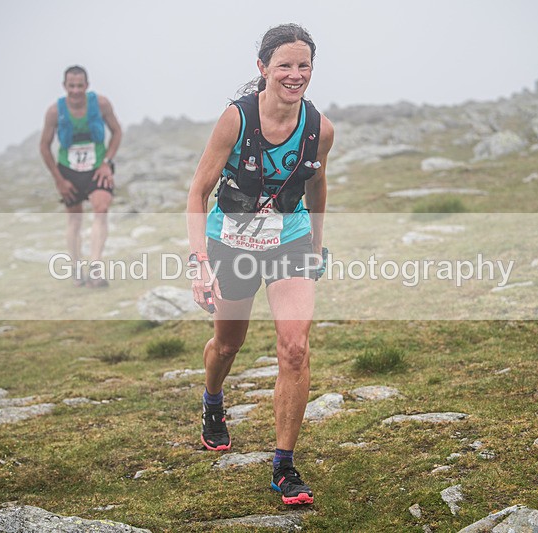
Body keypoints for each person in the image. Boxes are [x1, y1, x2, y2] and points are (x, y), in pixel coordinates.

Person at [186, 23, 334, 505]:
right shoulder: (236, 120)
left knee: (295, 348)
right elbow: (196, 193)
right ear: (263, 69)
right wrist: (199, 262)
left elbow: (316, 188)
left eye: (303, 65)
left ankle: (283, 466)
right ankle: (213, 401)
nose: (295, 75)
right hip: (229, 241)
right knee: (228, 344)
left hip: (289, 240)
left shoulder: (320, 130)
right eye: (285, 65)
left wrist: (315, 246)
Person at [39, 65, 122, 287]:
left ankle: (95, 267)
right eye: (71, 86)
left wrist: (107, 162)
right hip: (69, 171)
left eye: (79, 85)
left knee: (101, 209)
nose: (75, 90)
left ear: (87, 85)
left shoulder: (101, 104)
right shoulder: (55, 112)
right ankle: (76, 268)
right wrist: (59, 180)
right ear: (64, 86)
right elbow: (44, 146)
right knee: (74, 220)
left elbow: (117, 131)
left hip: (98, 168)